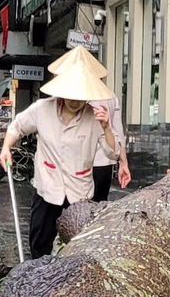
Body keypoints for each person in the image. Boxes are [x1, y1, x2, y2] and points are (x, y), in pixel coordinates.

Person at [1, 50, 116, 258]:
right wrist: (6, 148)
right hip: (48, 186)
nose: (75, 101)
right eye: (71, 95)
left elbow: (112, 153)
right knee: (39, 243)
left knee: (80, 248)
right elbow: (17, 127)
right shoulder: (42, 109)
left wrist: (107, 127)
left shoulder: (96, 117)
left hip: (80, 192)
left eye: (80, 96)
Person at [53, 46, 130, 200]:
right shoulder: (110, 97)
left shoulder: (73, 98)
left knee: (74, 209)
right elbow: (118, 133)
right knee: (97, 210)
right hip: (104, 164)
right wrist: (123, 163)